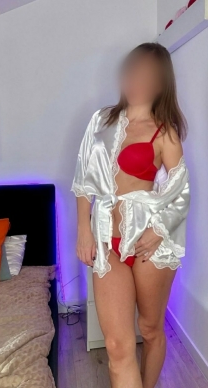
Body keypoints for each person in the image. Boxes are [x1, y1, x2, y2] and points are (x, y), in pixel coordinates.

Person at [71, 42, 190, 388]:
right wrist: (83, 229)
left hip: (148, 242)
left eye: (148, 75)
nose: (138, 80)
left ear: (161, 83)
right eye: (133, 70)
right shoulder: (101, 120)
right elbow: (83, 179)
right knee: (117, 346)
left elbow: (182, 191)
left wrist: (159, 230)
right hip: (106, 240)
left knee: (150, 330)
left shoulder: (165, 131)